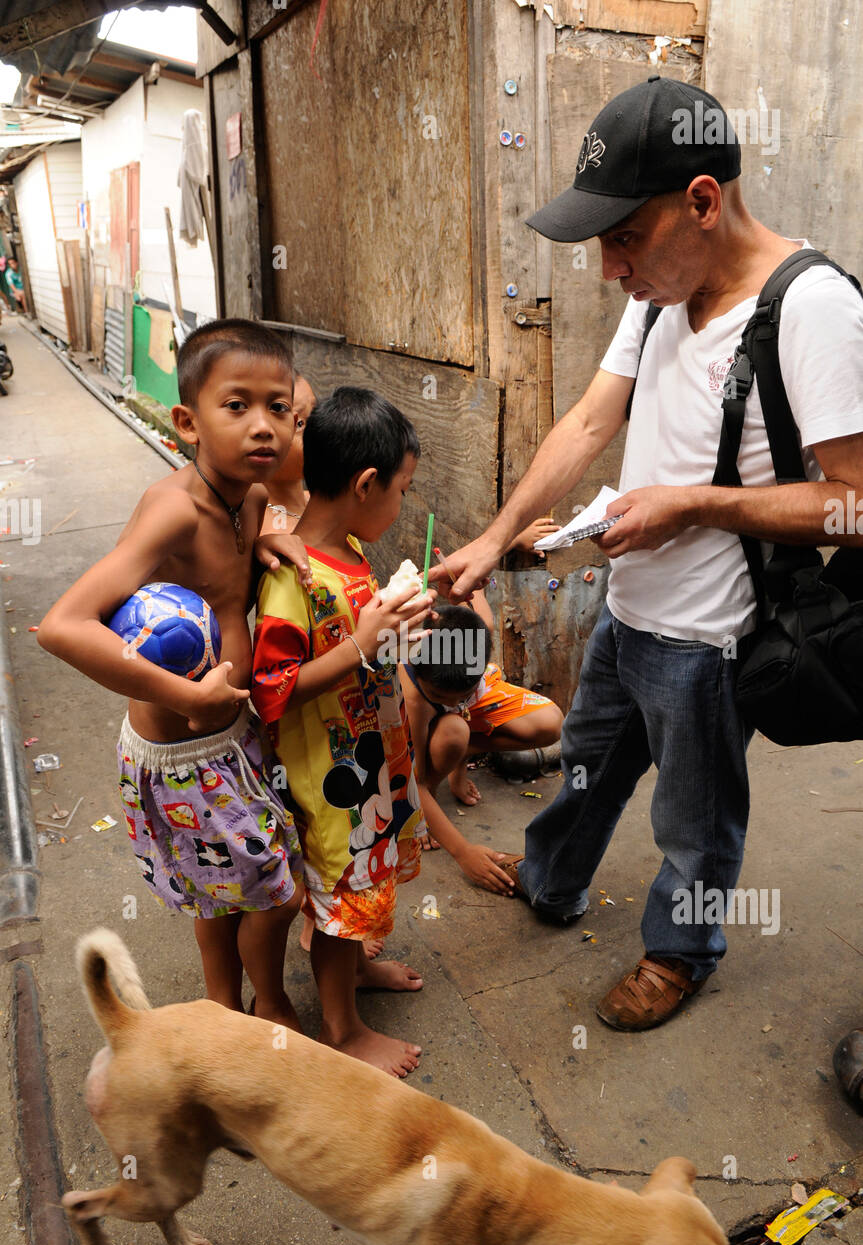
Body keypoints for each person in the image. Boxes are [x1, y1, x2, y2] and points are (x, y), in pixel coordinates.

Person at [431, 75, 863, 1031]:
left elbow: (853, 506)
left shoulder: (810, 308)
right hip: (626, 614)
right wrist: (496, 535)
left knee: (695, 824)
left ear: (702, 201)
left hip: (711, 641)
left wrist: (693, 506)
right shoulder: (658, 294)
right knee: (584, 766)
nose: (608, 270)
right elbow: (592, 421)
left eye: (623, 238)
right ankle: (550, 880)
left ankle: (679, 952)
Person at [38, 318, 312, 1029]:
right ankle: (270, 1004)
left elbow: (234, 575)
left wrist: (272, 540)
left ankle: (221, 1012)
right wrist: (186, 693)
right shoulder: (171, 512)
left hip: (231, 739)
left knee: (219, 891)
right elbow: (65, 626)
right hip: (181, 756)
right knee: (277, 894)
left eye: (279, 408)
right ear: (187, 422)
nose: (264, 427)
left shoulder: (250, 501)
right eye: (237, 406)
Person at [251, 386, 435, 1077]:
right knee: (338, 899)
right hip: (330, 782)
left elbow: (362, 644)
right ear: (364, 485)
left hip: (372, 757)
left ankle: (355, 968)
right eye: (401, 490)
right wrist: (361, 645)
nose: (403, 505)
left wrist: (394, 632)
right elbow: (271, 692)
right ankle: (343, 1029)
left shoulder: (353, 551)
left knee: (362, 886)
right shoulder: (293, 578)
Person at [401, 600, 562, 895]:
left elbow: (481, 608)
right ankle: (426, 810)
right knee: (454, 730)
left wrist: (473, 586)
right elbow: (416, 782)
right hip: (432, 721)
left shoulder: (475, 640)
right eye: (440, 694)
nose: (451, 702)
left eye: (461, 694)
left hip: (466, 700)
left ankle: (464, 753)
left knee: (551, 724)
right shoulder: (415, 696)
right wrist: (463, 852)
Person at [262, 372, 315, 535]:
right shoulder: (265, 531)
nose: (317, 430)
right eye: (299, 424)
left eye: (316, 413)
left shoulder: (318, 501)